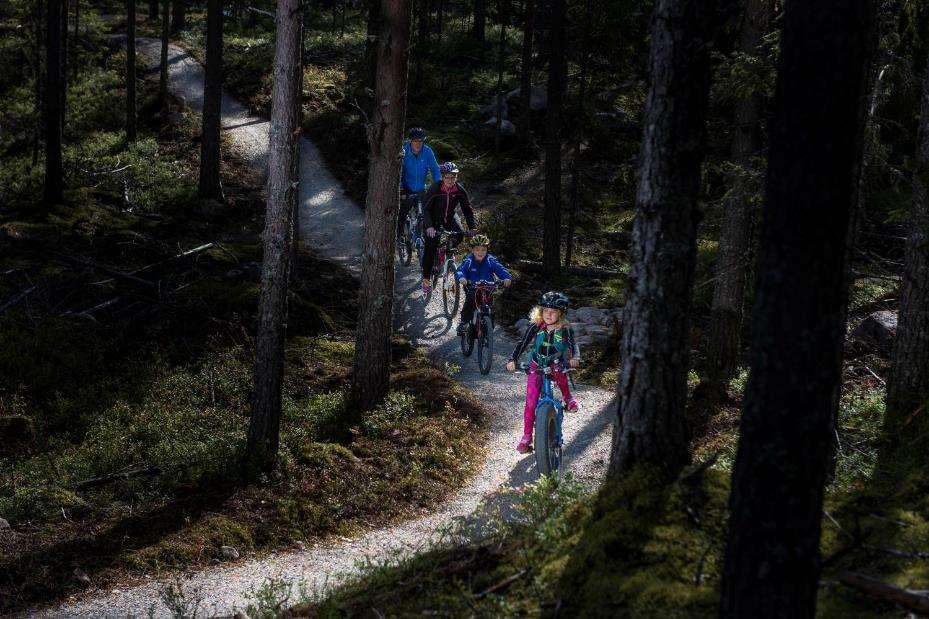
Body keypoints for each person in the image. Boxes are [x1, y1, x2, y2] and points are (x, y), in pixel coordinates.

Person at [506, 291, 581, 454]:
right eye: (545, 310)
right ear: (541, 311)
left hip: (556, 364)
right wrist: (513, 359)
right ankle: (527, 436)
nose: (549, 314)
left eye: (553, 311)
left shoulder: (565, 329)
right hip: (536, 365)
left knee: (560, 373)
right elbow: (522, 343)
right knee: (531, 402)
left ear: (561, 313)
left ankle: (567, 398)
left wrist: (575, 357)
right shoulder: (536, 326)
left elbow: (573, 346)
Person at [421, 162, 476, 293]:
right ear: (443, 177)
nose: (451, 180)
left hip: (450, 217)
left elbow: (467, 210)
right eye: (447, 177)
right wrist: (429, 227)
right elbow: (426, 209)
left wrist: (472, 227)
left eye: (453, 177)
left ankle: (445, 252)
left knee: (460, 234)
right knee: (430, 246)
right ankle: (426, 279)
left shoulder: (460, 190)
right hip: (433, 219)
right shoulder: (435, 188)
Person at [455, 234, 513, 336]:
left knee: (490, 307)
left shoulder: (490, 260)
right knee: (471, 302)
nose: (480, 252)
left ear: (487, 250)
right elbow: (460, 270)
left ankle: (488, 326)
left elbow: (500, 269)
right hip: (472, 286)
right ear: (472, 250)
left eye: (483, 250)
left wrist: (506, 278)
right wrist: (462, 278)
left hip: (488, 287)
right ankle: (463, 322)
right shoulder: (469, 260)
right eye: (477, 250)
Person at [399, 127, 442, 238]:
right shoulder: (403, 151)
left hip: (421, 189)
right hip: (406, 188)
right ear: (410, 141)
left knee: (426, 213)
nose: (418, 144)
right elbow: (398, 171)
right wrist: (401, 188)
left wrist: (439, 187)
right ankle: (397, 239)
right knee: (401, 214)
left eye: (420, 141)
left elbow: (435, 170)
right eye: (415, 141)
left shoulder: (427, 151)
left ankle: (423, 239)